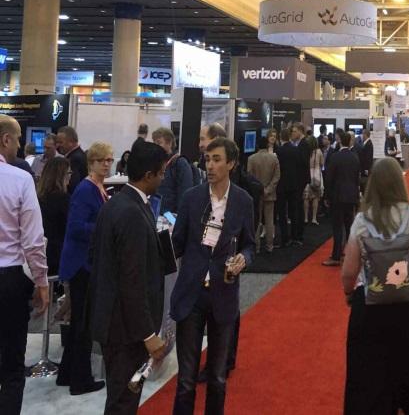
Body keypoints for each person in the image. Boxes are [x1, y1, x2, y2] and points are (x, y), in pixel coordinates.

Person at [341, 157, 409, 414]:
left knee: (369, 381)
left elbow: (349, 272)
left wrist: (349, 293)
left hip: (370, 310)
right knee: (406, 378)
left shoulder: (362, 221)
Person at [170, 137, 255, 415]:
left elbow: (250, 244)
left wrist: (244, 258)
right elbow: (177, 242)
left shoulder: (243, 201)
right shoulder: (191, 198)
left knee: (217, 378)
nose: (210, 165)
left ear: (231, 163)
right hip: (191, 295)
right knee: (186, 380)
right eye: (207, 159)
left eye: (217, 159)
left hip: (223, 294)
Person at [89, 140, 169, 415]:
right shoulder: (131, 212)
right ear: (148, 175)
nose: (163, 178)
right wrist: (148, 334)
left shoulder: (119, 203)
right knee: (123, 402)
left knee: (121, 398)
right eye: (161, 173)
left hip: (117, 324)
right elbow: (132, 281)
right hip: (125, 330)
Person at [0, 115, 49, 415]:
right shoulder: (19, 179)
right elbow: (33, 240)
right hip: (9, 280)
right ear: (5, 139)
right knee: (12, 366)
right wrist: (42, 282)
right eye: (17, 138)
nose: (19, 145)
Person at [57, 141, 114, 395]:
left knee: (80, 322)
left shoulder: (99, 188)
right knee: (83, 324)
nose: (107, 164)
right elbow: (76, 227)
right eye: (102, 160)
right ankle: (80, 380)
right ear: (92, 162)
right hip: (81, 264)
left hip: (86, 262)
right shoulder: (85, 190)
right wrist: (104, 228)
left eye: (109, 160)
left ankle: (67, 374)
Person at [323, 132, 360, 267]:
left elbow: (329, 178)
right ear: (349, 141)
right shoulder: (355, 157)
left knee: (337, 227)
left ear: (339, 142)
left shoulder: (335, 157)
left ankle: (336, 256)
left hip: (337, 197)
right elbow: (357, 178)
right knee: (349, 226)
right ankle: (350, 254)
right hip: (351, 197)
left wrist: (326, 196)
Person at [277, 123, 310, 247]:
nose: (293, 133)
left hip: (283, 185)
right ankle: (295, 236)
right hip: (294, 185)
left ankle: (286, 238)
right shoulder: (296, 150)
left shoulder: (280, 151)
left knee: (283, 213)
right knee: (294, 211)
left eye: (295, 131)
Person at [36, 157, 70, 278]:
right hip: (59, 254)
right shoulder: (64, 200)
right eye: (69, 173)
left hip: (41, 253)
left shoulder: (38, 198)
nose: (70, 177)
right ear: (62, 175)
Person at [247, 136, 280, 254]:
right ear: (267, 145)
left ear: (257, 145)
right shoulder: (274, 159)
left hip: (256, 195)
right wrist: (268, 189)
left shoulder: (251, 159)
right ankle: (269, 246)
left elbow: (249, 177)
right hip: (270, 195)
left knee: (256, 220)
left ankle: (256, 247)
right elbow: (277, 176)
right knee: (269, 221)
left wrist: (258, 189)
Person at [153, 127, 196, 216]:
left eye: (159, 143)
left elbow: (185, 194)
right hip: (157, 214)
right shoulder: (158, 163)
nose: (155, 146)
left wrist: (179, 217)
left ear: (169, 143)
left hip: (171, 216)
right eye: (154, 143)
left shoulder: (180, 163)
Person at [56, 125, 87, 193]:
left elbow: (72, 186)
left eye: (60, 142)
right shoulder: (80, 155)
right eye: (57, 142)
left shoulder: (74, 159)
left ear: (71, 142)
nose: (57, 145)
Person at [303, 135, 324, 226]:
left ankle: (305, 217)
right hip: (317, 175)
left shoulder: (306, 151)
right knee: (316, 197)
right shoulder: (319, 152)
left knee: (306, 197)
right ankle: (314, 218)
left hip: (307, 174)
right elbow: (322, 163)